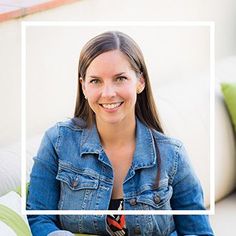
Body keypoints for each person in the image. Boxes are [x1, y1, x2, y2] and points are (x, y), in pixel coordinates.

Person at [27, 31, 214, 236]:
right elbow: (38, 217)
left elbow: (198, 232)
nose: (108, 93)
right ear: (83, 86)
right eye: (96, 81)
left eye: (120, 78)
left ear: (140, 82)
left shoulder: (172, 154)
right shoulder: (58, 142)